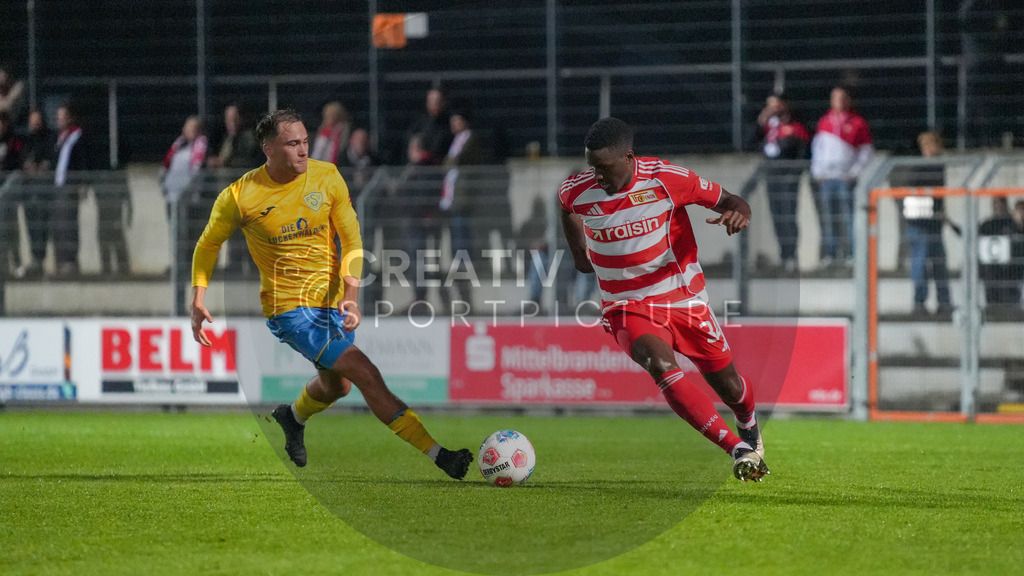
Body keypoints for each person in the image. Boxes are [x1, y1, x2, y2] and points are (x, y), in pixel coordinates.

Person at [189, 109, 472, 479]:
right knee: (364, 370)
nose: (304, 150)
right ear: (268, 149)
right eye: (293, 144)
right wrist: (197, 298)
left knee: (337, 385)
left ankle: (292, 417)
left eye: (305, 141)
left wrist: (351, 294)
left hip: (333, 302)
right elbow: (208, 245)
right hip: (289, 309)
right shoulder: (240, 196)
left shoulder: (327, 177)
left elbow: (352, 239)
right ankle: (440, 456)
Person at [559, 118, 769, 482]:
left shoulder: (667, 178)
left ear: (628, 156)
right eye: (592, 167)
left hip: (683, 300)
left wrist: (741, 213)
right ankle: (737, 448)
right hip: (625, 305)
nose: (598, 177)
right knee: (660, 364)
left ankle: (747, 423)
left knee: (731, 388)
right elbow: (565, 206)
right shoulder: (578, 190)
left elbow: (732, 200)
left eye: (605, 168)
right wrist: (579, 253)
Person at [811, 86, 874, 266]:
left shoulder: (857, 123)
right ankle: (831, 254)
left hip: (846, 178)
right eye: (835, 98)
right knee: (829, 218)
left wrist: (854, 172)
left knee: (849, 217)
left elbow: (866, 152)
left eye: (842, 97)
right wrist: (818, 171)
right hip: (827, 178)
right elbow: (818, 148)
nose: (838, 101)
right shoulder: (825, 122)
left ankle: (852, 254)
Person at [890, 131, 952, 315]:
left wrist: (939, 212)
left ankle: (944, 302)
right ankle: (919, 303)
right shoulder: (917, 167)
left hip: (933, 222)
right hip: (919, 223)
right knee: (921, 263)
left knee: (939, 263)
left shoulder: (938, 166)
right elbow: (912, 194)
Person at [440, 108, 489, 305]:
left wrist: (451, 161)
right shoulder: (456, 141)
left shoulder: (470, 140)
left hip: (463, 199)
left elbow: (457, 161)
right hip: (453, 199)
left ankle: (463, 266)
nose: (453, 124)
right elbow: (447, 164)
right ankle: (459, 264)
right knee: (455, 237)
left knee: (462, 237)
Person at [757, 93, 809, 273]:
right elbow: (748, 142)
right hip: (771, 176)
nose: (772, 109)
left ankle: (791, 256)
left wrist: (794, 173)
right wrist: (761, 121)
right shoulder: (769, 127)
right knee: (777, 216)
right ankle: (783, 255)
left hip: (787, 178)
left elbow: (801, 150)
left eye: (775, 105)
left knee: (788, 216)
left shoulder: (794, 126)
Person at [206, 103, 260, 276]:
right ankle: (235, 263)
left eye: (234, 117)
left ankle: (250, 266)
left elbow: (248, 160)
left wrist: (224, 163)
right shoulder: (227, 137)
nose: (230, 121)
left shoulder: (248, 136)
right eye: (228, 118)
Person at [160, 115, 207, 275]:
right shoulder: (178, 145)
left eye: (194, 128)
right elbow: (166, 166)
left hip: (188, 199)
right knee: (175, 233)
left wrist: (184, 192)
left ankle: (186, 265)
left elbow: (196, 171)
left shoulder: (200, 146)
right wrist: (164, 185)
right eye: (188, 127)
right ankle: (177, 263)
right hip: (171, 198)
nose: (190, 131)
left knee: (187, 233)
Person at [51, 102, 89, 277]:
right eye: (58, 117)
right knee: (58, 225)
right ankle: (60, 259)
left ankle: (70, 260)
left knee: (69, 224)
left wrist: (82, 183)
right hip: (58, 185)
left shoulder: (77, 136)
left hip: (70, 185)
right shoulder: (60, 137)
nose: (60, 120)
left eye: (63, 117)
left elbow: (82, 160)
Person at [15, 108, 53, 278]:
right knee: (31, 226)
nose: (35, 124)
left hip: (42, 191)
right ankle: (35, 260)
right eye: (32, 121)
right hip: (28, 190)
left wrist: (38, 168)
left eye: (37, 120)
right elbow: (19, 157)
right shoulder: (25, 140)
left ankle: (41, 259)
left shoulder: (49, 138)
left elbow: (49, 161)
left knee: (41, 227)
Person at [978, 196, 1024, 311]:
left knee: (1010, 298)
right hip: (992, 267)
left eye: (1000, 204)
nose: (998, 207)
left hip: (1011, 268)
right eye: (995, 204)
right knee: (993, 297)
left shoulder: (1012, 222)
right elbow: (971, 234)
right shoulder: (988, 223)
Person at [0, 111, 24, 274]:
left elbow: (17, 161)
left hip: (8, 192)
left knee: (11, 229)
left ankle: (16, 262)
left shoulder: (13, 141)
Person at [406, 87, 453, 164]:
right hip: (421, 166)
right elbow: (412, 140)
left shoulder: (450, 123)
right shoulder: (420, 122)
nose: (435, 104)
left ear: (443, 102)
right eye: (432, 101)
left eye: (438, 101)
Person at [310, 101, 351, 165]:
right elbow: (318, 151)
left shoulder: (343, 130)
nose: (328, 119)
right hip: (322, 164)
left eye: (331, 116)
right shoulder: (323, 131)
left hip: (338, 163)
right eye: (327, 116)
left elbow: (342, 147)